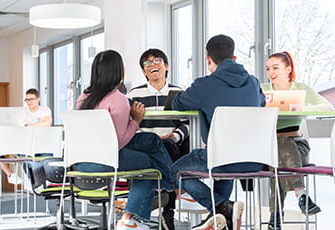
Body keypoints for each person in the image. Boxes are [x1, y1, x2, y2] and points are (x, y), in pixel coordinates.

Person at [170, 34, 266, 230]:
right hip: (255, 160)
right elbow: (262, 104)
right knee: (224, 168)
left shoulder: (204, 85)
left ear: (208, 59)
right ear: (234, 58)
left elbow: (177, 103)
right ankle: (222, 216)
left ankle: (220, 208)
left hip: (221, 158)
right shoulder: (254, 83)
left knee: (174, 171)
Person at [75, 50, 174, 230]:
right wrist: (136, 120)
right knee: (148, 163)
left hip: (80, 162)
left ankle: (165, 190)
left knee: (151, 140)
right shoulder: (117, 99)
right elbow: (119, 142)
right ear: (119, 72)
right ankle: (134, 216)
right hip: (105, 160)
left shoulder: (83, 97)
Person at [262, 51, 334, 230]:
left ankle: (276, 216)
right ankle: (301, 194)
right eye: (268, 68)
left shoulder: (300, 89)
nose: (271, 72)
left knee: (278, 161)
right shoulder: (263, 90)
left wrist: (301, 105)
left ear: (288, 69)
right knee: (278, 153)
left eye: (275, 67)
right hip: (270, 148)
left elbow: (327, 106)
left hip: (297, 146)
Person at [127, 48, 190, 230]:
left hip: (172, 143)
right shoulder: (133, 95)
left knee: (170, 148)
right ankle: (170, 193)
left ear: (166, 66)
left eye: (157, 61)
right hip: (144, 145)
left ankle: (164, 207)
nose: (152, 65)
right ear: (143, 70)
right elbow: (130, 124)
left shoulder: (179, 92)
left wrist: (175, 136)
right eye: (147, 63)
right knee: (153, 151)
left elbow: (187, 123)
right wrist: (147, 138)